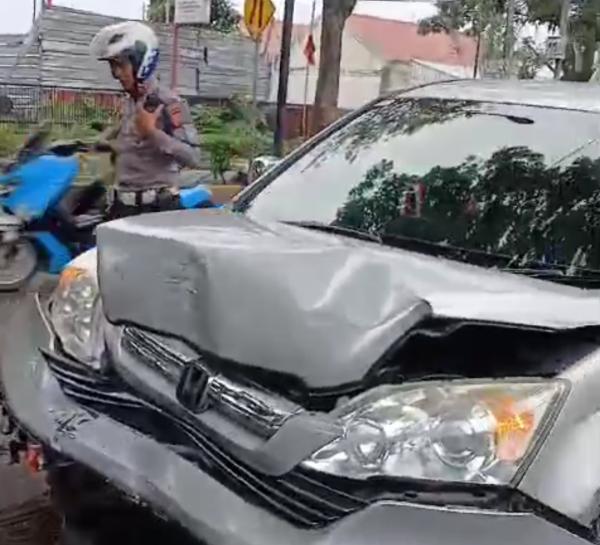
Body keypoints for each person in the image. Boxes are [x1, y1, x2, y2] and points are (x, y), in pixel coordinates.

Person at [90, 21, 201, 219]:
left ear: (142, 61)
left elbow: (193, 157)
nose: (116, 73)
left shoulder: (168, 103)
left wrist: (153, 134)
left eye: (121, 65)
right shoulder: (129, 103)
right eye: (112, 66)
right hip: (123, 209)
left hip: (156, 212)